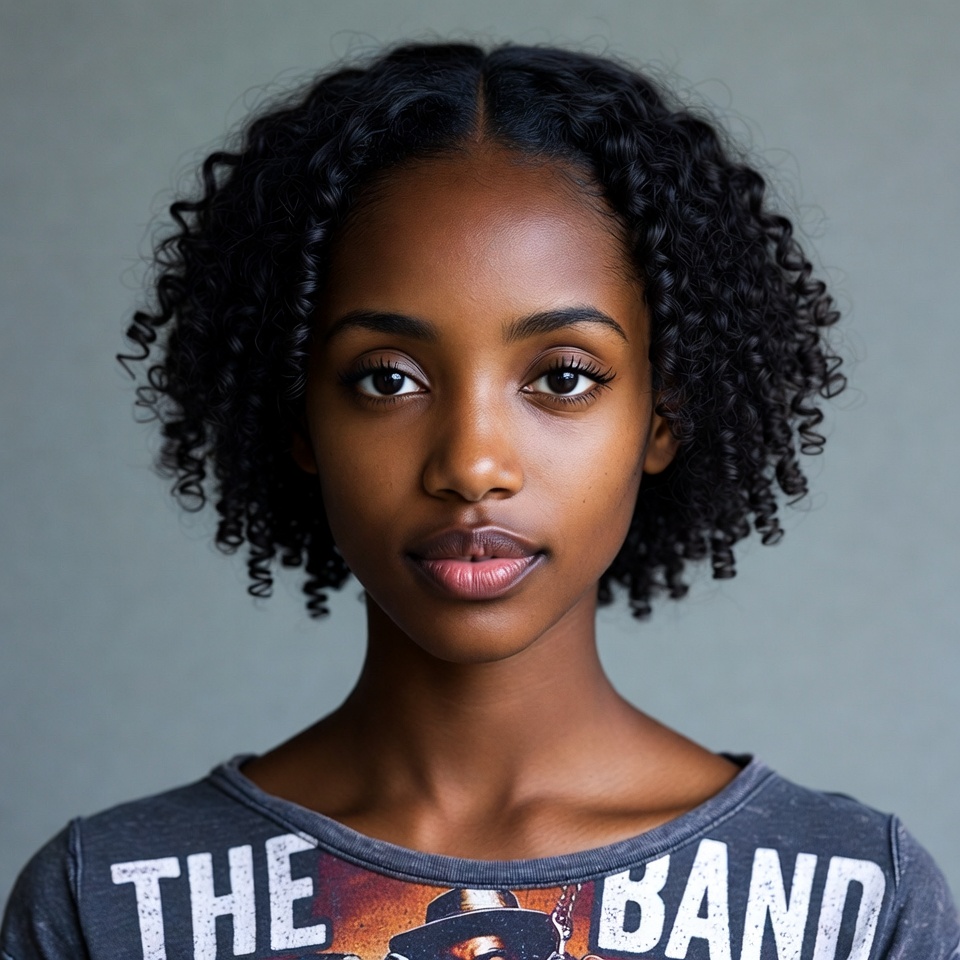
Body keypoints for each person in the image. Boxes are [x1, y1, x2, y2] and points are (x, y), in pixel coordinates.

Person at [2, 41, 957, 960]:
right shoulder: (111, 899)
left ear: (662, 417)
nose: (472, 462)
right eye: (386, 379)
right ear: (298, 421)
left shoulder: (854, 901)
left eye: (565, 377)